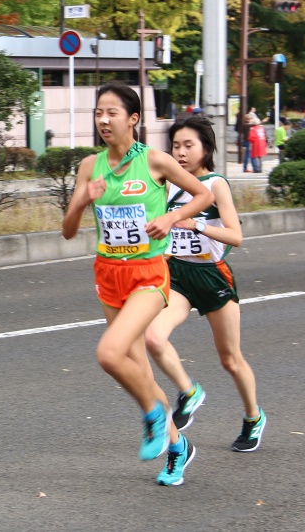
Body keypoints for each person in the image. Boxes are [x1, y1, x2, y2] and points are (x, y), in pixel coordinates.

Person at [62, 82, 213, 486]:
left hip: (148, 273)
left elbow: (201, 194)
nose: (103, 120)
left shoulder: (156, 161)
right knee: (141, 373)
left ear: (133, 119)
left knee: (110, 354)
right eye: (98, 112)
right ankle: (179, 446)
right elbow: (67, 230)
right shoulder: (89, 167)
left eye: (112, 112)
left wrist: (170, 218)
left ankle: (152, 418)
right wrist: (80, 200)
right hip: (108, 274)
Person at [145, 115, 266, 452]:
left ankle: (253, 417)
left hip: (212, 275)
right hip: (178, 274)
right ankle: (189, 390)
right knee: (153, 337)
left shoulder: (215, 185)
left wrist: (196, 225)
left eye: (189, 145)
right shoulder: (167, 183)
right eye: (176, 145)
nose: (180, 152)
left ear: (206, 149)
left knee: (230, 359)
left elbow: (236, 236)